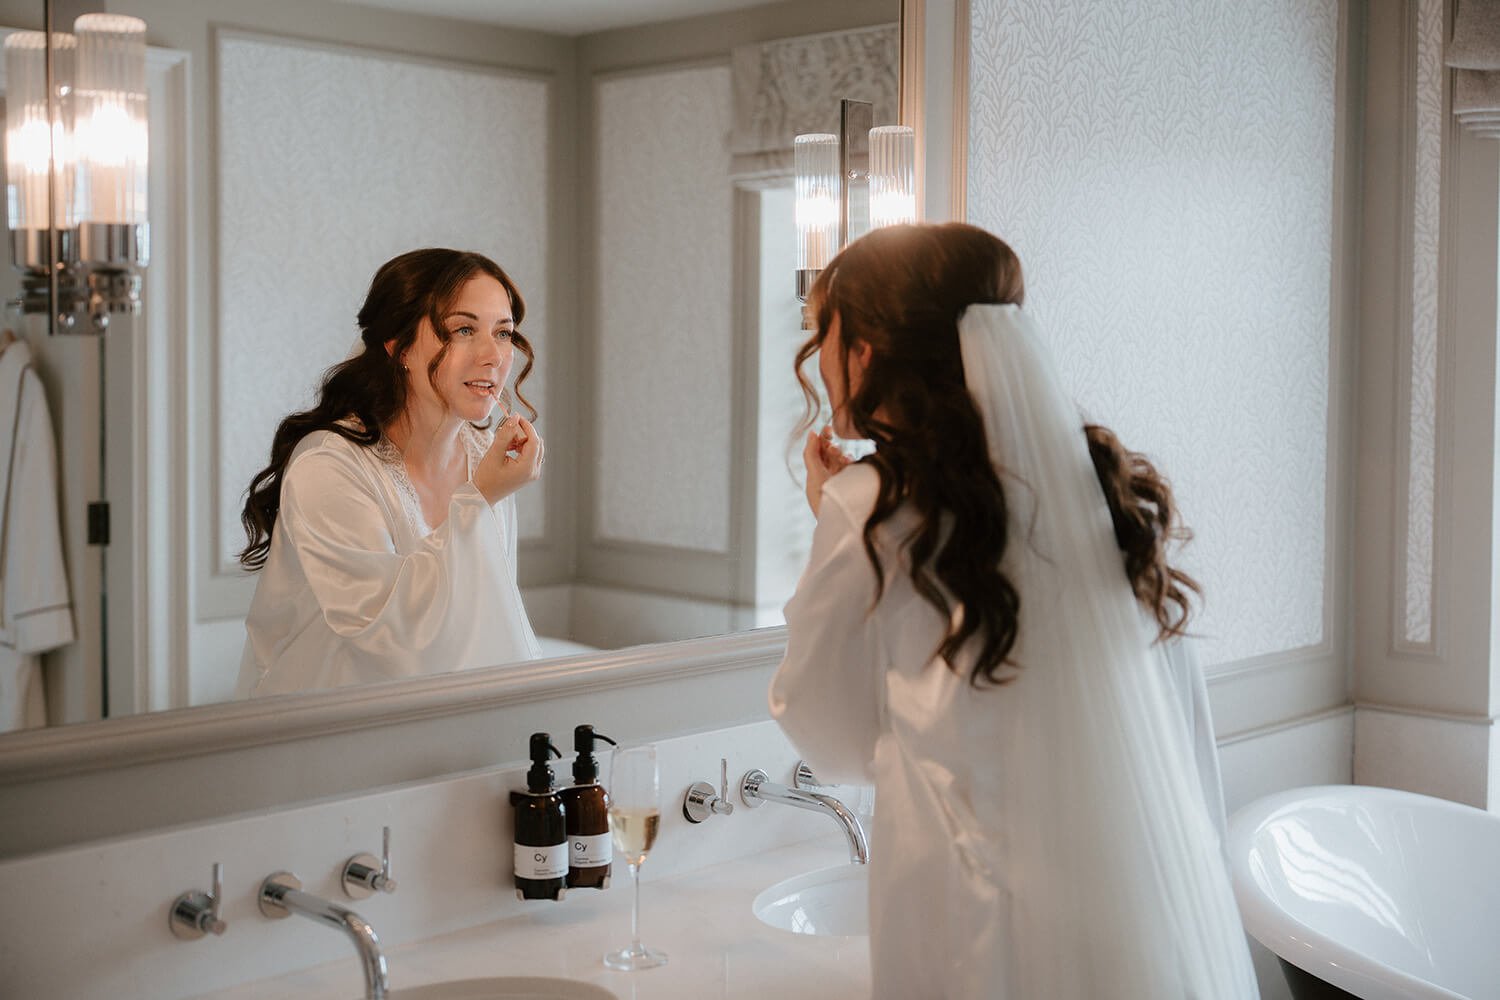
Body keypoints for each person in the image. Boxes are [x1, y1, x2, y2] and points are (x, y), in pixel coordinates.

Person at [770, 223, 1258, 998]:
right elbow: (1170, 718)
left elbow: (825, 731)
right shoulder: (1098, 493)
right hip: (1117, 889)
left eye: (824, 333)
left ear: (863, 350)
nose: (819, 359)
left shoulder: (871, 508)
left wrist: (834, 517)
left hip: (963, 900)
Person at [234, 248, 545, 698]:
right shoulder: (328, 466)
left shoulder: (486, 457)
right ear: (399, 346)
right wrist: (478, 501)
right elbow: (385, 638)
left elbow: (490, 611)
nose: (493, 356)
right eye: (463, 330)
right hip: (335, 722)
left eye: (503, 332)